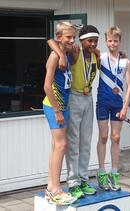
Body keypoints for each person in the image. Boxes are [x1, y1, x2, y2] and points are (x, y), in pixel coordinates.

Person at [47, 25, 99, 199]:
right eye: (89, 40)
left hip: (88, 97)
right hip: (73, 98)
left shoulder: (96, 55)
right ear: (82, 41)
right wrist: (61, 54)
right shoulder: (73, 52)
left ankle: (83, 179)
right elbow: (51, 41)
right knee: (71, 142)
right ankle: (73, 182)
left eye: (95, 41)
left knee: (86, 141)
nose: (92, 44)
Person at [42, 21, 77, 205]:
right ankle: (55, 189)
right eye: (68, 37)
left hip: (64, 105)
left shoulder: (68, 52)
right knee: (61, 145)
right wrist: (57, 110)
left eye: (73, 36)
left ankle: (50, 186)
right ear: (59, 37)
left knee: (57, 146)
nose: (72, 40)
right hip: (54, 105)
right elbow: (47, 86)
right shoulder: (55, 57)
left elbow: (77, 55)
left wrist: (68, 51)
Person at [96, 26, 130, 191]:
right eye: (110, 40)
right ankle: (101, 172)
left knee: (115, 137)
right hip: (103, 102)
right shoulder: (100, 57)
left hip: (118, 104)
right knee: (103, 136)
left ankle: (114, 173)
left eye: (115, 41)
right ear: (106, 41)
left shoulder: (125, 61)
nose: (112, 43)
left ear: (120, 42)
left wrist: (125, 107)